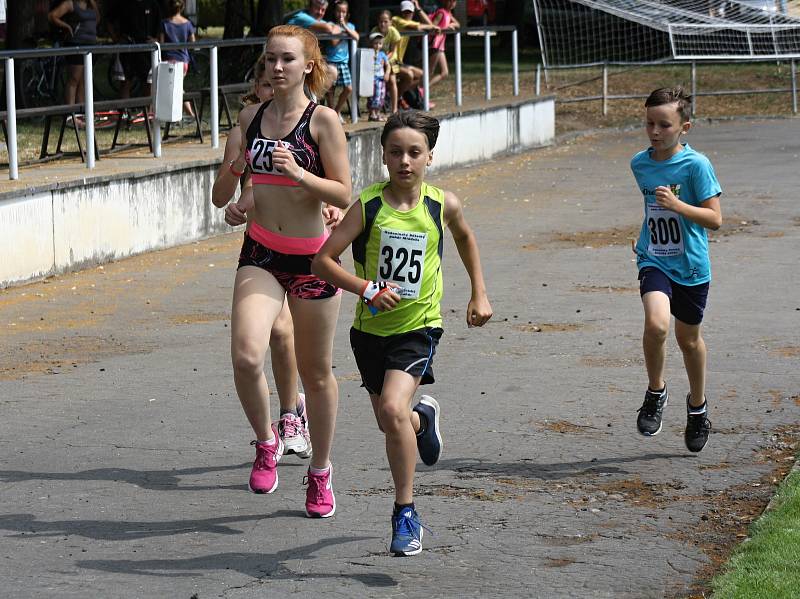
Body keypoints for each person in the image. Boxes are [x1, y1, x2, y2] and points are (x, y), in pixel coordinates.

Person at [312, 111, 493, 555]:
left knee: (392, 408)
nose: (405, 161)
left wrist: (479, 293)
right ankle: (422, 420)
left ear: (430, 156)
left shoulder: (441, 203)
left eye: (414, 152)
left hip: (419, 326)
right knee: (391, 420)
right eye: (396, 152)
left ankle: (405, 512)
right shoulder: (368, 205)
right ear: (384, 156)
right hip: (369, 331)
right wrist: (367, 288)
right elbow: (323, 261)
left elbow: (466, 238)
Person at [229, 25, 351, 517]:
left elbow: (344, 193)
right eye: (270, 59)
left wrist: (301, 174)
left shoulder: (322, 122)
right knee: (244, 355)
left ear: (308, 67)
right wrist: (239, 194)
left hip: (313, 260)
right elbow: (243, 181)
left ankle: (320, 472)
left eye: (287, 60)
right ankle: (266, 442)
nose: (276, 68)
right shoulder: (249, 116)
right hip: (261, 251)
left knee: (317, 374)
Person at [211, 57, 316, 463]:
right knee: (275, 332)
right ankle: (284, 420)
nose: (271, 91)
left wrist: (328, 209)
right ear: (257, 88)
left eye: (277, 83)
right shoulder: (244, 129)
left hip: (303, 247)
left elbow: (326, 186)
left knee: (285, 333)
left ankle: (292, 412)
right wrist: (239, 172)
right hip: (261, 249)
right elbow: (221, 195)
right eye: (264, 85)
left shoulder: (310, 124)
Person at [631, 87, 722, 453]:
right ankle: (656, 392)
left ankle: (697, 408)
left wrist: (679, 205)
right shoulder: (640, 163)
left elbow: (715, 219)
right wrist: (644, 238)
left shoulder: (697, 166)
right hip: (654, 258)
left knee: (688, 341)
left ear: (685, 127)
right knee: (656, 324)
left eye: (664, 125)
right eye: (649, 123)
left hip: (692, 266)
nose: (655, 132)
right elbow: (652, 211)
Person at [108, 0, 162, 101]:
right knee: (125, 82)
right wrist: (116, 39)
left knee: (148, 83)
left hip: (147, 50)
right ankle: (124, 112)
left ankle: (148, 114)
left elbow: (160, 28)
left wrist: (156, 39)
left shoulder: (153, 4)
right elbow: (109, 21)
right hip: (127, 48)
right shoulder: (123, 3)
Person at [48, 0, 99, 106]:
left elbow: (97, 18)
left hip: (90, 45)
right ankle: (70, 112)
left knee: (84, 80)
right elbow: (52, 16)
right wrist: (67, 26)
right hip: (76, 44)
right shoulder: (70, 4)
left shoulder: (91, 4)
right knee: (74, 78)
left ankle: (81, 112)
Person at [392, 0, 439, 108]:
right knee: (409, 75)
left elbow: (430, 25)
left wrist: (418, 8)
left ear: (413, 13)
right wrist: (433, 27)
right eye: (405, 12)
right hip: (391, 61)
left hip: (399, 62)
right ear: (401, 12)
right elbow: (426, 26)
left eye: (410, 12)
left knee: (423, 75)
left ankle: (396, 95)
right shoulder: (397, 20)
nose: (407, 15)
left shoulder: (409, 23)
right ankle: (396, 100)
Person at [286, 0, 341, 90]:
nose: (320, 12)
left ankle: (312, 98)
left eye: (323, 10)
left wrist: (334, 28)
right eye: (317, 8)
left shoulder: (319, 21)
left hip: (301, 59)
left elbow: (334, 36)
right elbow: (330, 28)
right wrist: (333, 28)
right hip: (287, 59)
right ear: (310, 8)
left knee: (332, 71)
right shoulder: (302, 17)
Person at [158, 0, 196, 119]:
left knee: (177, 88)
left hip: (169, 60)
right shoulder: (188, 23)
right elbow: (192, 42)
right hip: (184, 60)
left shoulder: (164, 23)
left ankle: (189, 114)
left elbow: (162, 44)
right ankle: (185, 113)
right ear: (182, 8)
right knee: (178, 87)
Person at [323, 0, 359, 122]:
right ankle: (332, 113)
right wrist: (341, 29)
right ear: (334, 12)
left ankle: (337, 111)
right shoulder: (330, 25)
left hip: (343, 62)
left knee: (349, 88)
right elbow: (334, 42)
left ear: (347, 13)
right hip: (332, 61)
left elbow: (356, 37)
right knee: (330, 89)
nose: (341, 14)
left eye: (343, 11)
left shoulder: (350, 26)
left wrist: (344, 27)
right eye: (338, 11)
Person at [371, 11, 402, 114]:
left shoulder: (393, 32)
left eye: (385, 21)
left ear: (390, 22)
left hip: (390, 58)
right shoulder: (374, 31)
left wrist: (384, 60)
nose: (383, 24)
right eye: (380, 21)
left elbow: (393, 51)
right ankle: (373, 109)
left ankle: (394, 108)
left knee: (392, 81)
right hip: (377, 60)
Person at [428, 0, 460, 89]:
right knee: (429, 71)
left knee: (444, 72)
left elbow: (458, 24)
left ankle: (423, 90)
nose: (452, 3)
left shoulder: (448, 14)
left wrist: (451, 25)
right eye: (450, 1)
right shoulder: (441, 12)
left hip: (440, 46)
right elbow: (432, 27)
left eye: (454, 1)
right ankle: (421, 92)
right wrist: (445, 28)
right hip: (435, 45)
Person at [367, 31, 391, 121]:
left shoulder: (382, 54)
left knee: (381, 95)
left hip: (380, 78)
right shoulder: (369, 53)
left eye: (380, 43)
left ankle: (377, 113)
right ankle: (372, 113)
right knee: (373, 96)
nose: (377, 45)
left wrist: (387, 73)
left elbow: (388, 65)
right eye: (375, 43)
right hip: (372, 78)